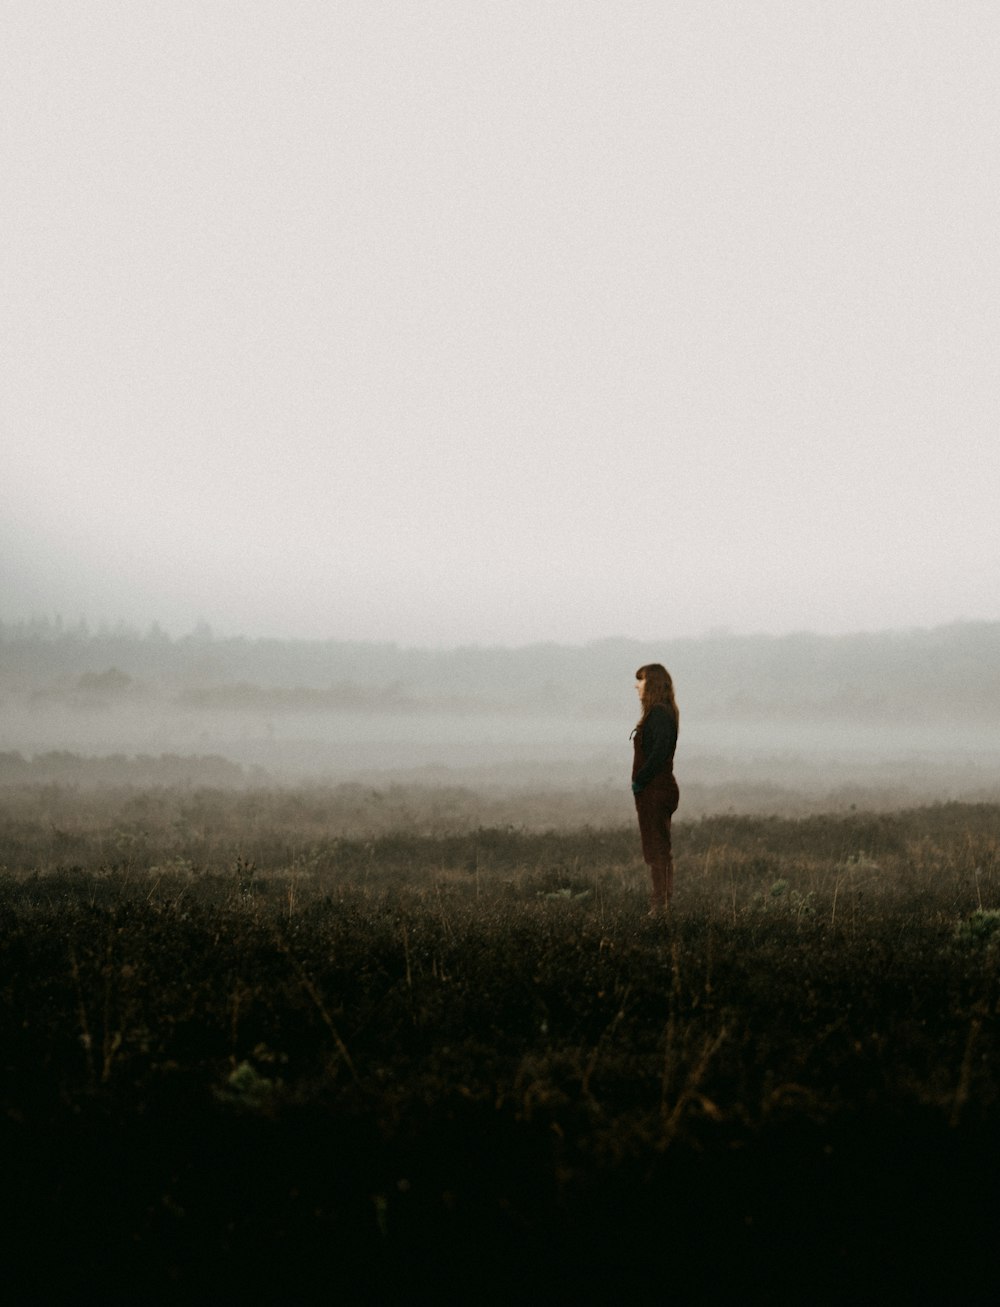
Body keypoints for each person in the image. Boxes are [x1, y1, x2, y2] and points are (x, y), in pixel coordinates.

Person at [631, 663, 680, 913]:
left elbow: (659, 753)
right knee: (657, 848)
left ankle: (660, 905)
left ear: (652, 684)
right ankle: (661, 902)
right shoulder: (660, 713)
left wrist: (641, 778)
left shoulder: (659, 714)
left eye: (641, 681)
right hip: (655, 790)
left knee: (657, 850)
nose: (636, 686)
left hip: (656, 791)